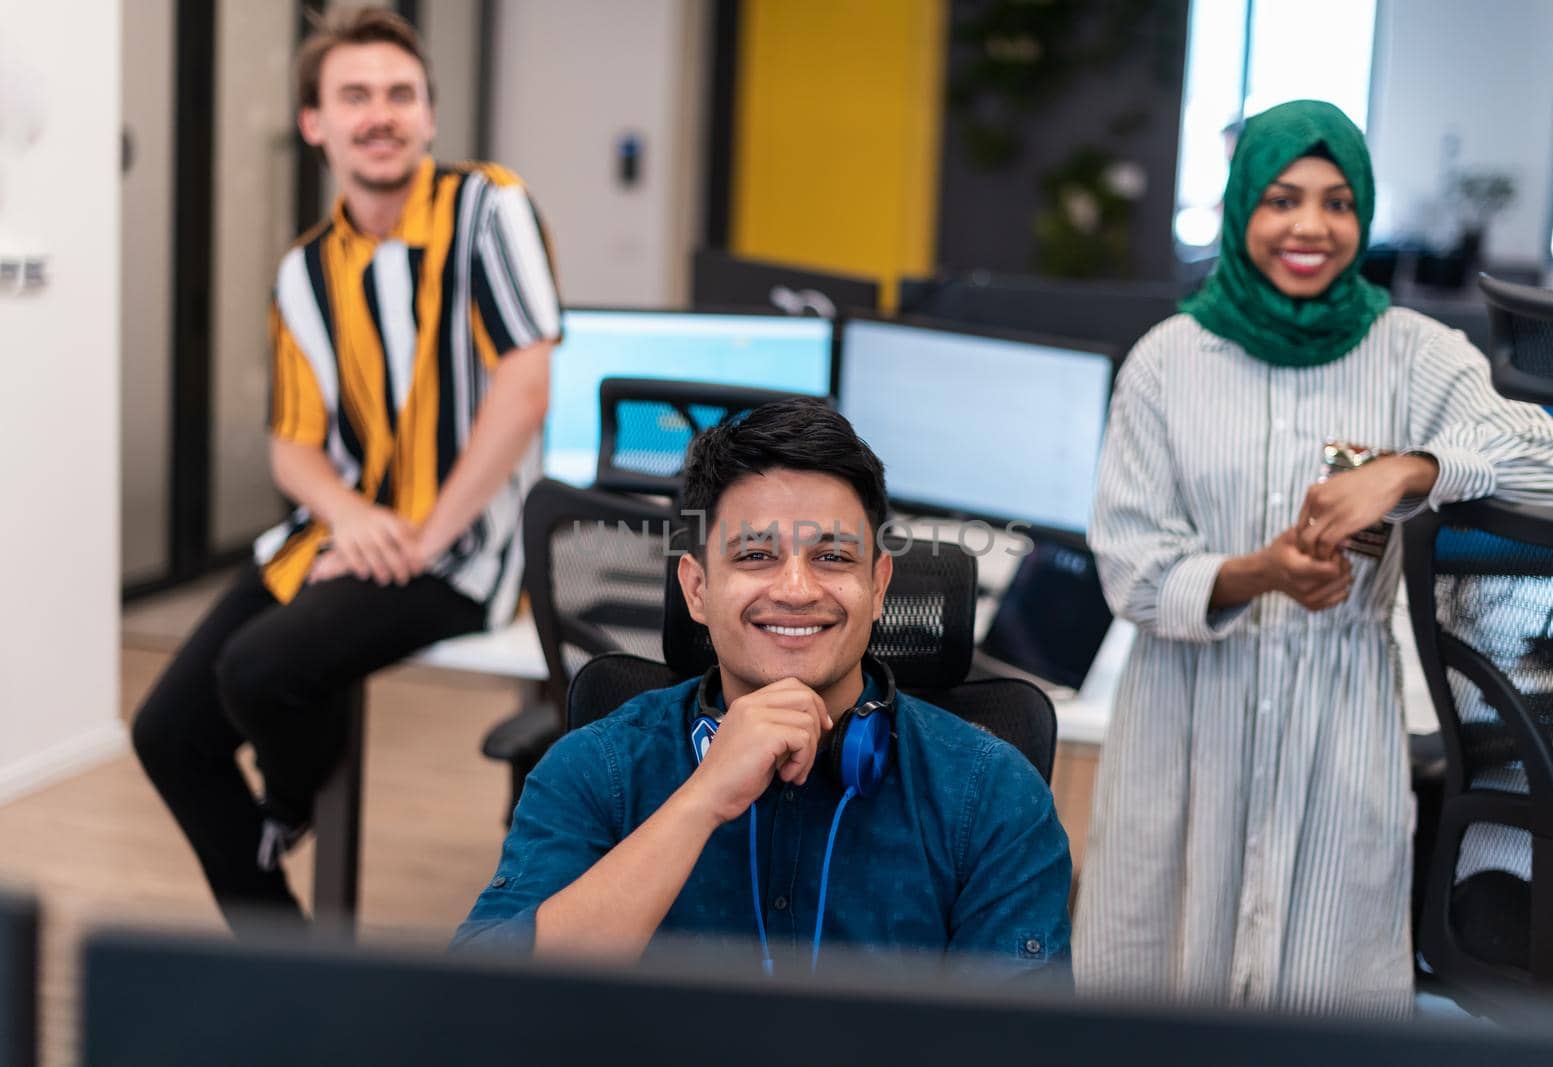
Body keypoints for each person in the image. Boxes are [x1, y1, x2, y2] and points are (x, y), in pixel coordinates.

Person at [1074, 100, 1553, 1016]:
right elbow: (1131, 567)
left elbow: (1552, 463)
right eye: (1282, 199)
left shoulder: (1413, 354)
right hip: (1187, 719)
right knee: (1154, 997)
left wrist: (1413, 468)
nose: (1310, 227)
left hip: (1338, 724)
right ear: (1240, 209)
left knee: (1322, 1011)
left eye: (1338, 203)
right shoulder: (1167, 362)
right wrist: (1259, 573)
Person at [131, 7, 562, 929]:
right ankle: (284, 952)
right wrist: (353, 518)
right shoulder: (304, 271)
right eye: (354, 95)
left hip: (465, 546)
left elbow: (524, 388)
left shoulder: (491, 207)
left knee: (259, 672)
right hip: (349, 528)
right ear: (314, 123)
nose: (382, 114)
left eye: (401, 94)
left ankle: (286, 806)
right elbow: (294, 444)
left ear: (430, 116)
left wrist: (419, 540)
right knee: (165, 731)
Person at [454, 399, 1072, 975]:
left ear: (879, 585)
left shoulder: (990, 795)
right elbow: (482, 1006)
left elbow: (1021, 1045)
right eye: (755, 556)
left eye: (832, 558)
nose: (797, 590)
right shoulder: (599, 768)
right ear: (697, 589)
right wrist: (701, 802)